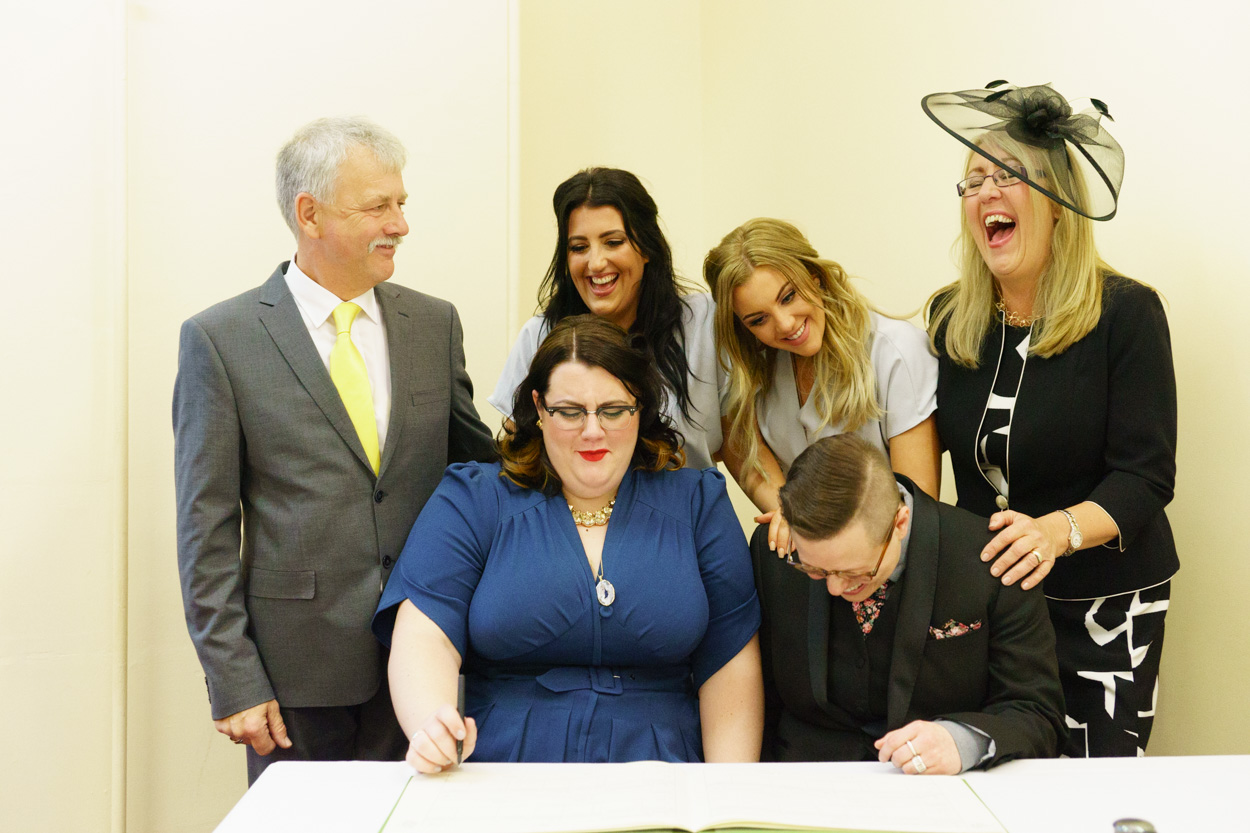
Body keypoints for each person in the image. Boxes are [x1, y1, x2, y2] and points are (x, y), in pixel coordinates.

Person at [172, 117, 496, 784]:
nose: (400, 224)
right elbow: (205, 528)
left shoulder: (434, 324)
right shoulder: (220, 339)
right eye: (378, 206)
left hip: (425, 663)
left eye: (401, 203)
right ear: (309, 213)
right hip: (294, 680)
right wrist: (233, 676)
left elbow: (477, 471)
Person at [376, 315, 763, 773]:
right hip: (503, 768)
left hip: (664, 769)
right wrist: (432, 724)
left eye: (613, 410)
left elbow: (730, 663)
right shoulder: (473, 498)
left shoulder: (698, 503)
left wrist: (724, 791)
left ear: (640, 407)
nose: (593, 430)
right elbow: (425, 633)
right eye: (570, 411)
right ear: (539, 409)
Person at [921, 81, 1177, 757]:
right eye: (974, 180)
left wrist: (1053, 533)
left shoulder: (1126, 312)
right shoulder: (950, 317)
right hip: (994, 608)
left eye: (1009, 175)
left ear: (1059, 202)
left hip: (1104, 608)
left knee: (1092, 790)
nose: (987, 191)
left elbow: (1146, 478)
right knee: (995, 775)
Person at [752, 434, 1065, 772]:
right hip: (803, 777)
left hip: (942, 783)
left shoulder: (994, 560)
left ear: (899, 523)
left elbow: (1037, 712)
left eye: (856, 573)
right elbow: (762, 700)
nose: (835, 587)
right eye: (815, 570)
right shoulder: (775, 552)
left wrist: (962, 741)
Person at [490, 167, 782, 480]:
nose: (596, 263)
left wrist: (785, 508)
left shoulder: (704, 324)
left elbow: (741, 448)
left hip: (683, 508)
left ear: (646, 247)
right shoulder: (539, 337)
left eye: (613, 242)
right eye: (579, 247)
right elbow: (517, 456)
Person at [704, 218, 940, 556]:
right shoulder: (759, 368)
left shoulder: (896, 351)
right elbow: (742, 447)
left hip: (890, 557)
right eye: (759, 319)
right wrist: (786, 511)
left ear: (814, 276)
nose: (785, 324)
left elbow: (917, 508)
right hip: (813, 559)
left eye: (788, 296)